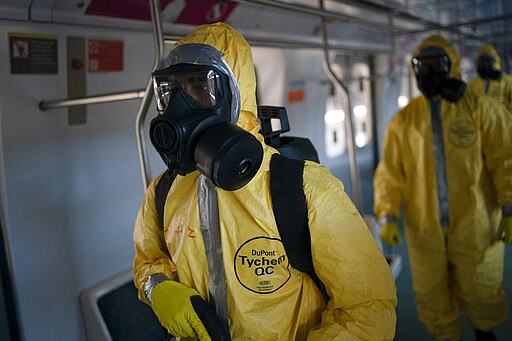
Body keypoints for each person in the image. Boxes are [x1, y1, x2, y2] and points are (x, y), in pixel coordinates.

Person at [133, 22, 397, 340]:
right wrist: (157, 290)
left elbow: (368, 310)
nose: (179, 108)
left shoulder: (302, 189)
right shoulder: (163, 192)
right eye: (172, 92)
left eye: (200, 88)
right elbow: (148, 260)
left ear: (235, 95)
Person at [373, 34, 512, 341]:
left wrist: (509, 207)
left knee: (481, 287)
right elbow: (389, 172)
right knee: (431, 291)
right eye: (422, 65)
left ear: (453, 68)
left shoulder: (480, 109)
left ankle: (483, 332)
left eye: (438, 64)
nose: (430, 72)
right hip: (425, 227)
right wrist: (387, 214)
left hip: (476, 220)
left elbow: (505, 158)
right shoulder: (404, 120)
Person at [467, 43, 512, 112]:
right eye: (481, 61)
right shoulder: (471, 85)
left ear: (495, 62)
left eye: (488, 61)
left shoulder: (508, 82)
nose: (485, 65)